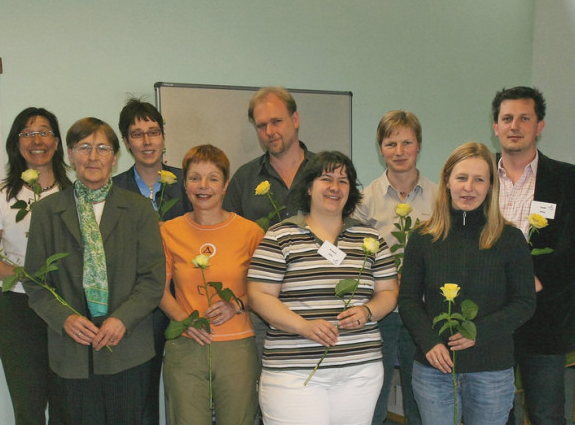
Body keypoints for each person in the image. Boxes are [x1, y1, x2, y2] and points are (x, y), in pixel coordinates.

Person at [23, 117, 165, 424]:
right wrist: (66, 319)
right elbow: (35, 283)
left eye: (102, 148)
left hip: (126, 345)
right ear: (71, 155)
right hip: (72, 348)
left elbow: (153, 280)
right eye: (84, 147)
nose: (93, 156)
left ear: (115, 158)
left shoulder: (139, 210)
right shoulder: (47, 212)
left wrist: (121, 319)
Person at [248, 151, 399, 425]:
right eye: (326, 179)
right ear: (309, 186)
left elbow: (389, 292)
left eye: (343, 181)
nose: (335, 187)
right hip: (294, 373)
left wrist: (367, 311)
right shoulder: (280, 236)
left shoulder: (370, 238)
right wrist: (303, 326)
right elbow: (259, 296)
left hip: (359, 371)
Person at [398, 142, 536, 425]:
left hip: (491, 370)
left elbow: (524, 303)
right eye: (461, 178)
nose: (469, 187)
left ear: (490, 186)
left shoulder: (510, 240)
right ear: (447, 180)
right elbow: (409, 299)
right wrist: (429, 342)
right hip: (434, 368)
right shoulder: (422, 238)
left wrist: (478, 332)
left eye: (479, 179)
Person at [491, 86, 575, 424]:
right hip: (489, 321)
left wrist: (539, 280)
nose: (515, 126)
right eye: (507, 118)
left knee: (546, 414)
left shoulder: (572, 180)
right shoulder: (477, 181)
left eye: (524, 118)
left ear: (539, 126)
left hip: (546, 321)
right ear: (495, 126)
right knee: (495, 412)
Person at [0, 107, 71, 425]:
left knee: (68, 408)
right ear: (16, 144)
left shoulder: (75, 195)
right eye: (27, 133)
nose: (37, 140)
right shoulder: (1, 197)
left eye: (44, 131)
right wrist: (31, 278)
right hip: (18, 311)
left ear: (56, 142)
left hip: (67, 309)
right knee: (28, 412)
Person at [160, 144, 263, 425]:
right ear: (184, 184)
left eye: (213, 178)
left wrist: (236, 305)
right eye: (195, 178)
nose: (203, 186)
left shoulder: (251, 232)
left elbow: (266, 289)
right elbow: (158, 289)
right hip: (187, 344)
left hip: (237, 347)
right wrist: (185, 321)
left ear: (225, 184)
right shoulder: (168, 231)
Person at [352, 110, 436, 425]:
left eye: (406, 143)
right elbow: (356, 259)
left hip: (424, 313)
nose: (399, 152)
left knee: (422, 397)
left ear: (418, 146)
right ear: (380, 148)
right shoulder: (364, 200)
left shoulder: (439, 197)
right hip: (380, 314)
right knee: (373, 394)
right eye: (390, 144)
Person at [223, 86, 316, 364]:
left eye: (276, 122)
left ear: (295, 120)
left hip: (316, 304)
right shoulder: (244, 179)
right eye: (261, 126)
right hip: (261, 310)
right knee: (267, 392)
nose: (269, 132)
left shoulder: (325, 172)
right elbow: (229, 242)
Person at [113, 97, 190, 425]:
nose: (147, 141)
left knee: (186, 393)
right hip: (139, 307)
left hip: (184, 300)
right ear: (126, 142)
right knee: (140, 397)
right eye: (137, 134)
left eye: (153, 132)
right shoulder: (114, 189)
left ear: (163, 135)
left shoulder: (189, 182)